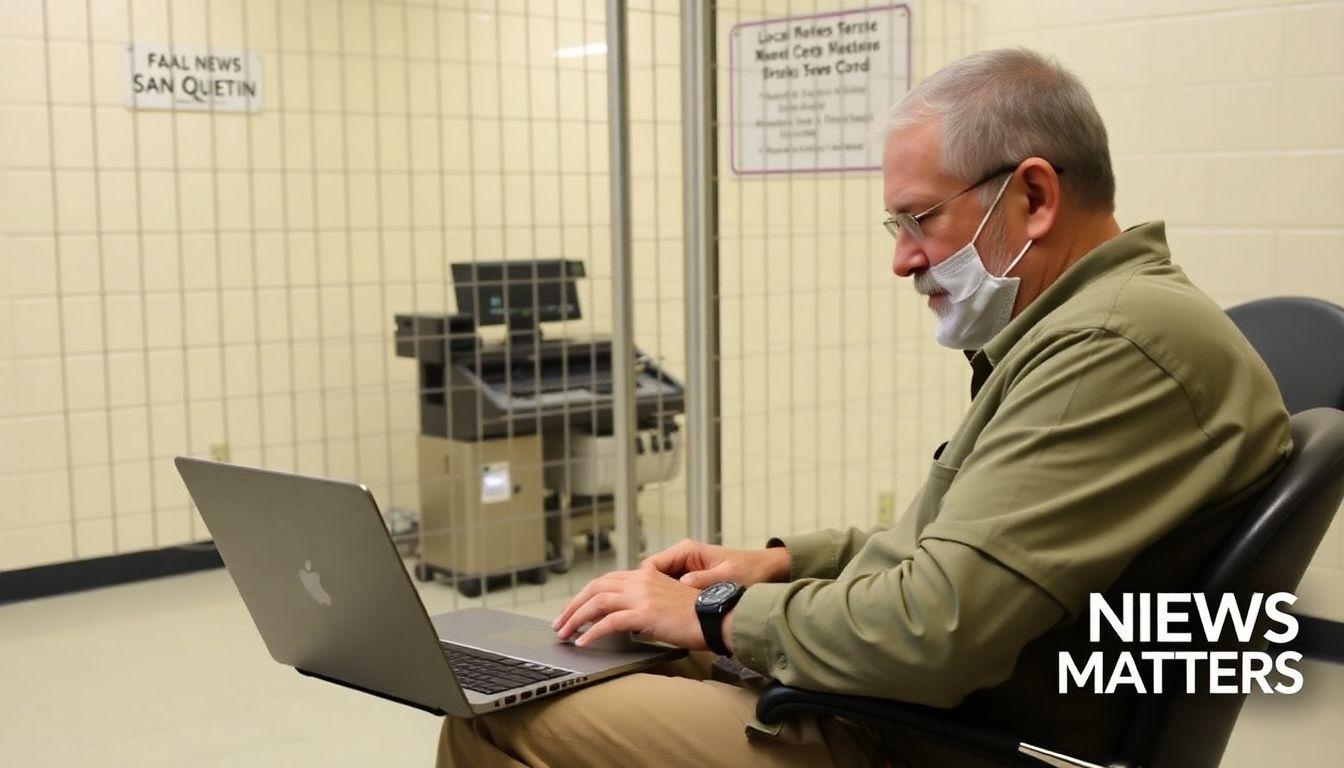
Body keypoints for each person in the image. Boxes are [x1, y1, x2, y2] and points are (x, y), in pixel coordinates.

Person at [436, 48, 1291, 768]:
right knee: (595, 664)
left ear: (1033, 197)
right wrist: (775, 564)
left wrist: (708, 613)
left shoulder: (1110, 347)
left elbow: (934, 631)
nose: (904, 260)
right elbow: (952, 558)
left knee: (489, 718)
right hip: (919, 707)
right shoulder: (1097, 324)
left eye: (920, 219)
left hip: (923, 738)